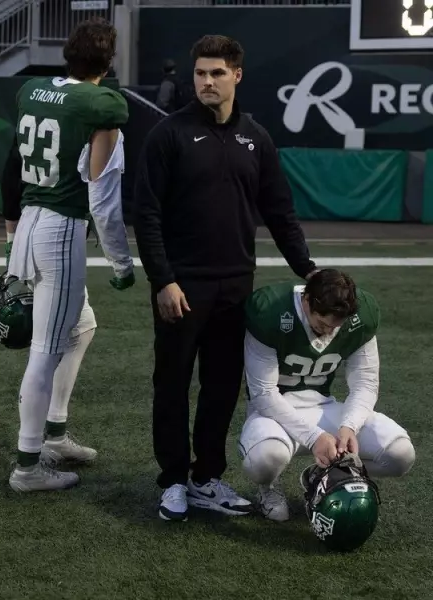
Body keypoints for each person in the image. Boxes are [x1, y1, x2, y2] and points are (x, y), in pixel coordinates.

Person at [132, 34, 318, 522]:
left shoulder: (255, 137)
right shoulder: (167, 134)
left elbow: (279, 210)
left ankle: (206, 478)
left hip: (237, 287)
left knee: (221, 387)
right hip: (182, 286)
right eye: (200, 73)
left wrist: (307, 268)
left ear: (236, 75)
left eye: (216, 73)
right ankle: (172, 481)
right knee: (171, 385)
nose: (206, 82)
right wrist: (163, 280)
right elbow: (146, 214)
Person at [6, 16, 135, 493]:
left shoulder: (33, 90)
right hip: (60, 227)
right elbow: (101, 197)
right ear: (108, 60)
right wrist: (121, 263)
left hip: (31, 219)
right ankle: (27, 465)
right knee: (44, 351)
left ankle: (54, 434)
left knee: (82, 326)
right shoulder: (102, 104)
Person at [240, 269, 415, 521]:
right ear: (307, 300)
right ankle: (268, 488)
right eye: (322, 324)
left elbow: (365, 383)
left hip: (323, 405)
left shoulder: (360, 317)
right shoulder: (271, 311)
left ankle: (323, 476)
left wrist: (349, 426)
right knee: (266, 459)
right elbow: (264, 393)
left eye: (336, 326)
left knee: (400, 455)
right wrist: (314, 437)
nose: (329, 331)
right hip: (273, 413)